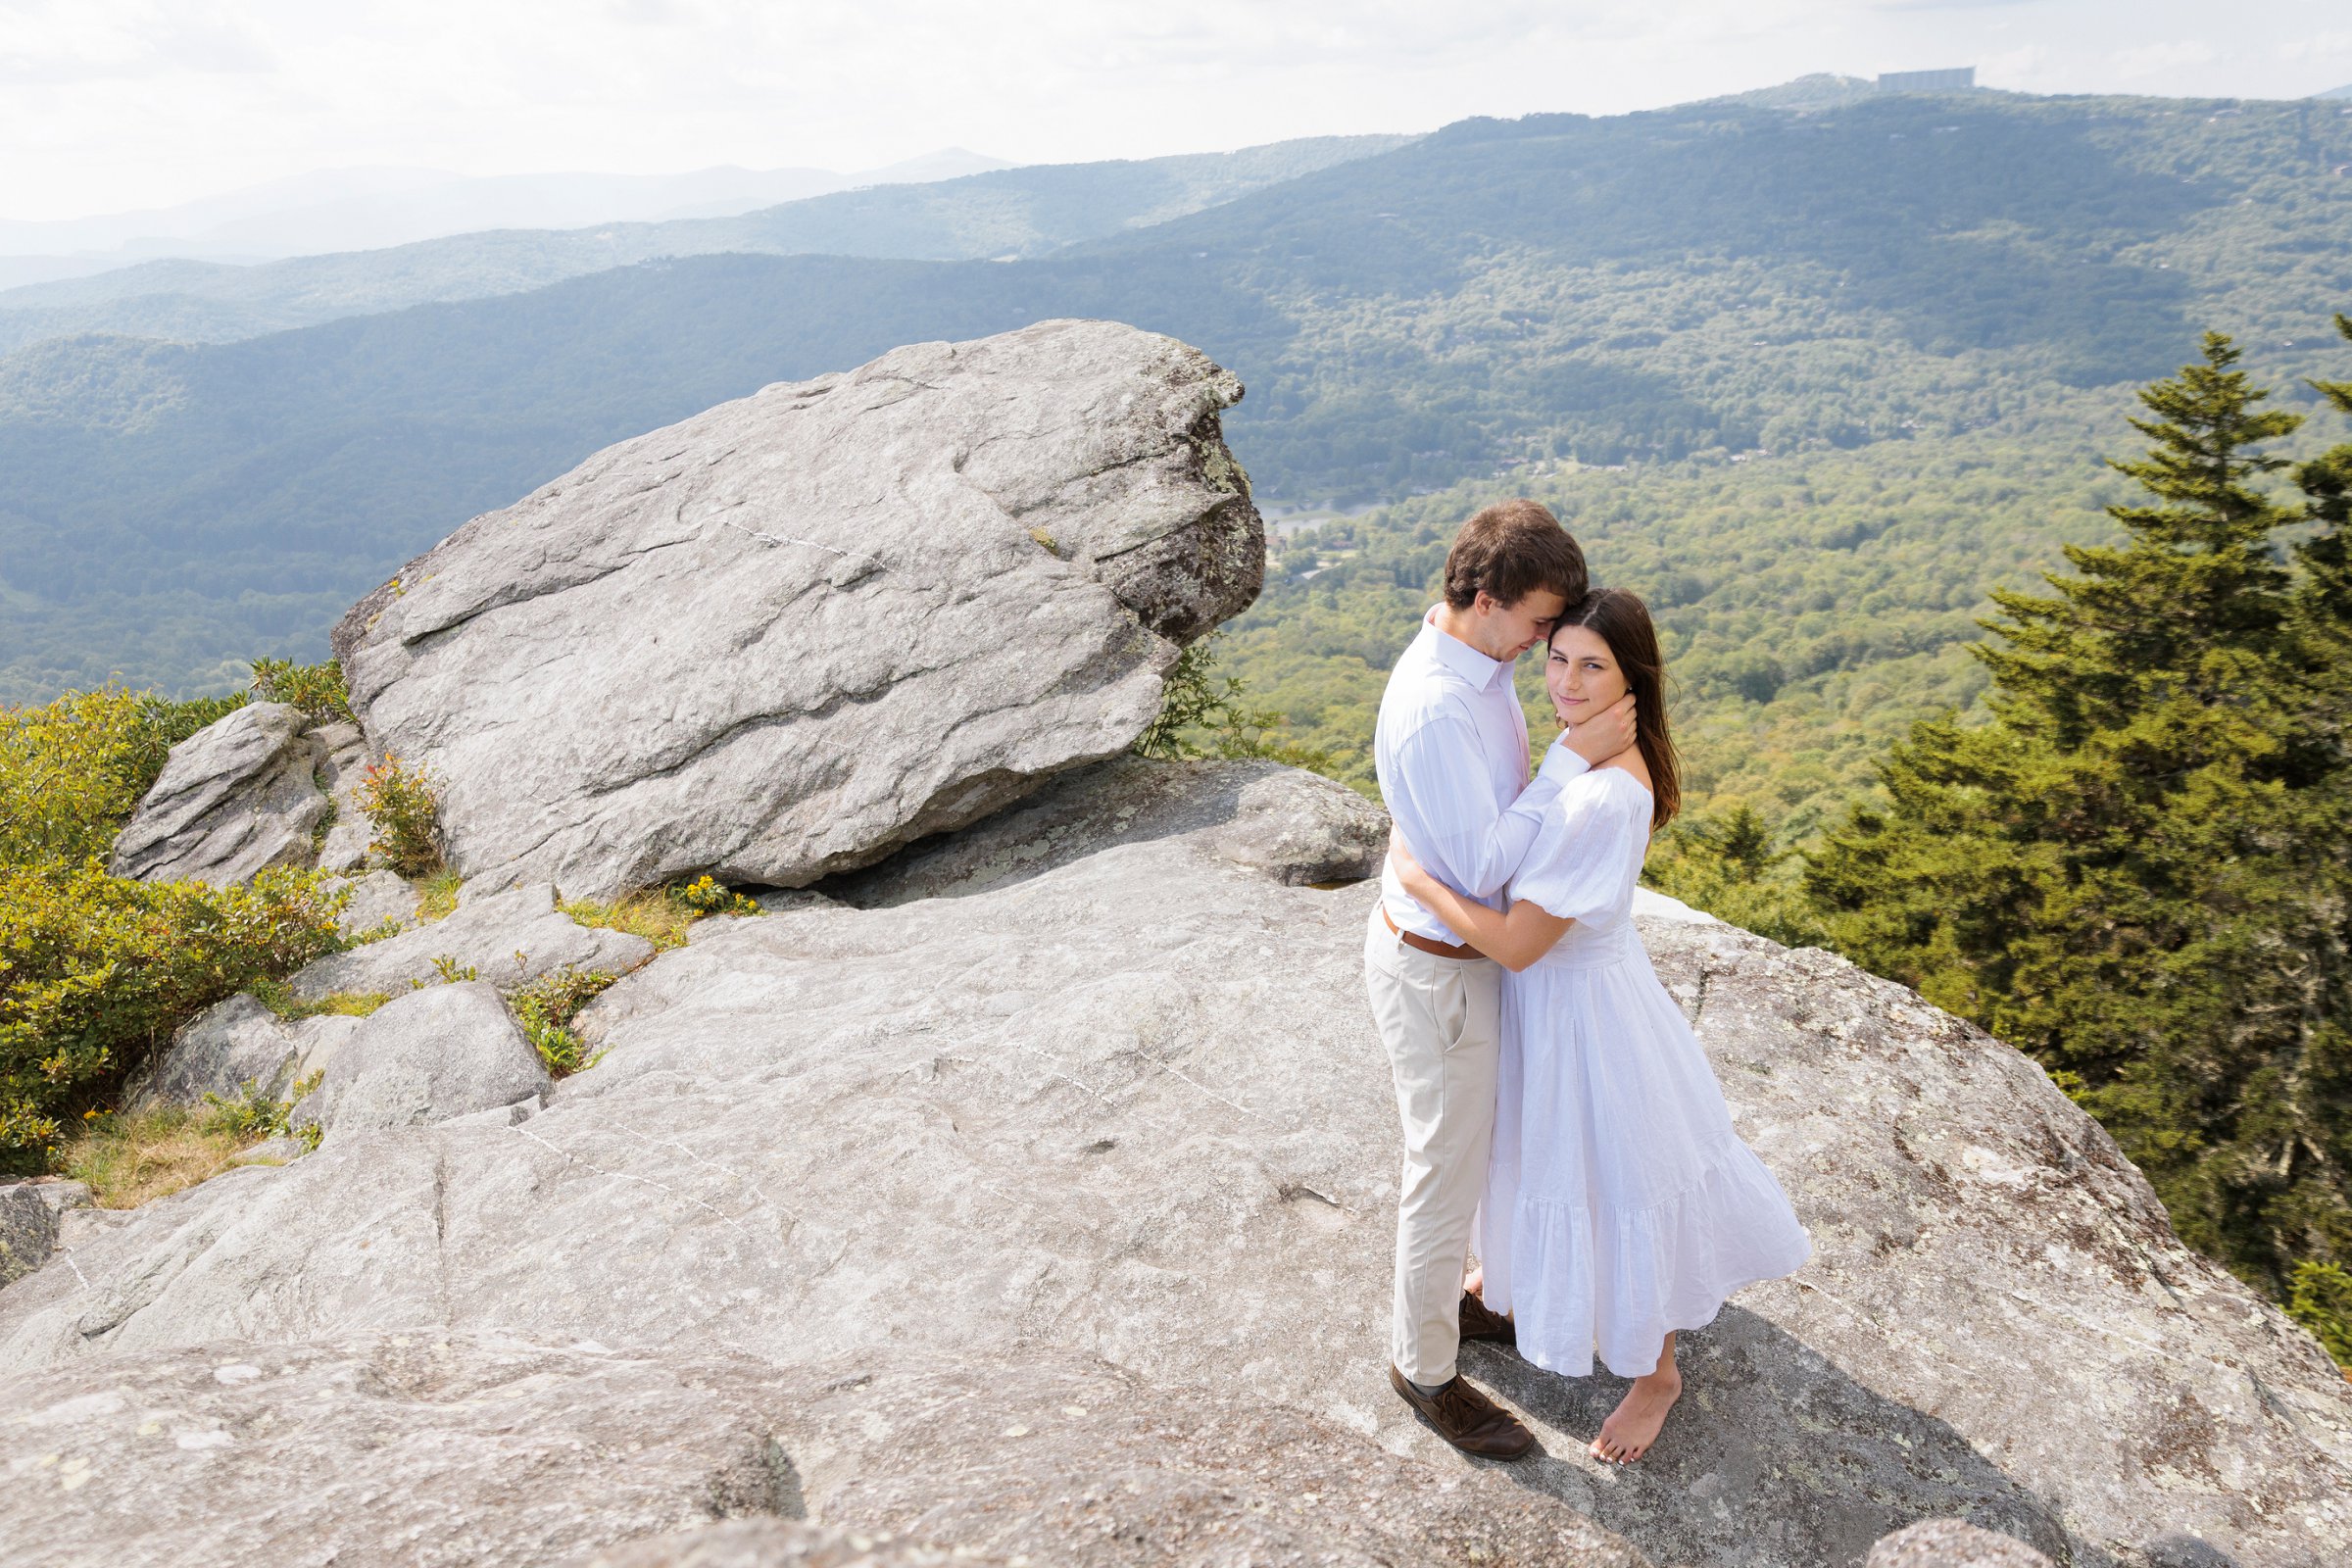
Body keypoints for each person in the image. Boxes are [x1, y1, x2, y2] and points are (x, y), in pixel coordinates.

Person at [1390, 587, 1813, 1465]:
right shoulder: (1586, 759)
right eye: (1558, 659)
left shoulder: (1598, 797)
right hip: (1568, 1005)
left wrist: (1420, 881)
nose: (1566, 683)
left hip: (1582, 1018)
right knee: (1558, 1167)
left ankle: (1656, 1374)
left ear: (1633, 682)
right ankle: (1512, 1286)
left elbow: (1515, 945)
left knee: (1615, 1183)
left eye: (1593, 666)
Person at [1366, 499, 1639, 1460]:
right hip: (1441, 971)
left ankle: (1463, 1305)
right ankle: (1425, 1368)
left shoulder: (1480, 667)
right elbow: (1481, 867)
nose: (1544, 646)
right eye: (1536, 626)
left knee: (1482, 1154)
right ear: (1485, 598)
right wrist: (1570, 763)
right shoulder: (1440, 707)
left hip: (1467, 957)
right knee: (1444, 1171)